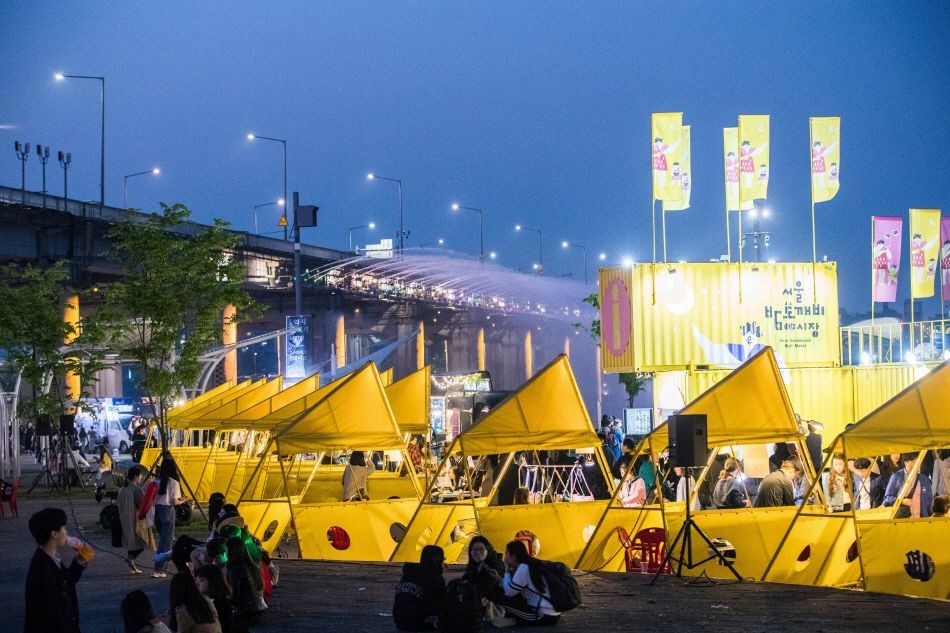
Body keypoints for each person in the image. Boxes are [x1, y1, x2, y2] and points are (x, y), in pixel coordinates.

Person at [25, 507, 91, 633]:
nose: (66, 533)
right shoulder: (43, 572)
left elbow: (65, 583)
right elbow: (52, 618)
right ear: (54, 534)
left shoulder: (51, 559)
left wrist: (78, 563)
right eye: (64, 528)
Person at [495, 540, 560, 626]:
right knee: (513, 599)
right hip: (553, 613)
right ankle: (513, 620)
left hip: (543, 615)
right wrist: (498, 578)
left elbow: (509, 592)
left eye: (506, 553)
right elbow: (513, 586)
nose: (505, 557)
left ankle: (514, 621)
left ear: (514, 557)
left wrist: (506, 570)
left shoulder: (523, 568)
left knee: (500, 600)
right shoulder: (530, 564)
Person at [392, 544, 446, 631]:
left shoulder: (410, 573)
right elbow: (439, 604)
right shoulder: (434, 578)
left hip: (400, 621)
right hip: (419, 622)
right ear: (438, 562)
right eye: (442, 561)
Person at [118, 465, 155, 574]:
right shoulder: (136, 490)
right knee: (143, 541)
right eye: (140, 476)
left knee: (132, 542)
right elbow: (143, 504)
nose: (141, 478)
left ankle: (132, 565)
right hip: (136, 520)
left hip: (125, 519)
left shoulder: (122, 489)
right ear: (135, 476)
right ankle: (131, 559)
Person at [153, 456, 185, 578]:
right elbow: (175, 502)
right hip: (168, 511)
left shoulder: (155, 481)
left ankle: (162, 566)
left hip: (156, 511)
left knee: (165, 538)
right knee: (166, 541)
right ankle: (158, 569)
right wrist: (183, 501)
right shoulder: (174, 483)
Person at [225, 537, 266, 632]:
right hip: (258, 606)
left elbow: (236, 595)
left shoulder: (235, 570)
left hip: (245, 609)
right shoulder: (253, 565)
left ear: (231, 551)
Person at [462, 535, 506, 610]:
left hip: (497, 606)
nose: (478, 552)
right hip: (480, 602)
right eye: (475, 549)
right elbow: (466, 579)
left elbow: (482, 589)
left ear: (487, 550)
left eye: (481, 549)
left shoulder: (496, 565)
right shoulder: (474, 564)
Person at [884, 453, 934, 518]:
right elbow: (888, 497)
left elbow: (930, 500)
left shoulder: (924, 479)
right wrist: (902, 501)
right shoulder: (896, 477)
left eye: (918, 462)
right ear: (906, 462)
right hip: (904, 518)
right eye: (913, 462)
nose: (917, 465)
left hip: (921, 518)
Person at [196, 564, 234, 633]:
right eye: (196, 580)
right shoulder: (202, 601)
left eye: (201, 580)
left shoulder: (220, 603)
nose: (197, 583)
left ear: (212, 581)